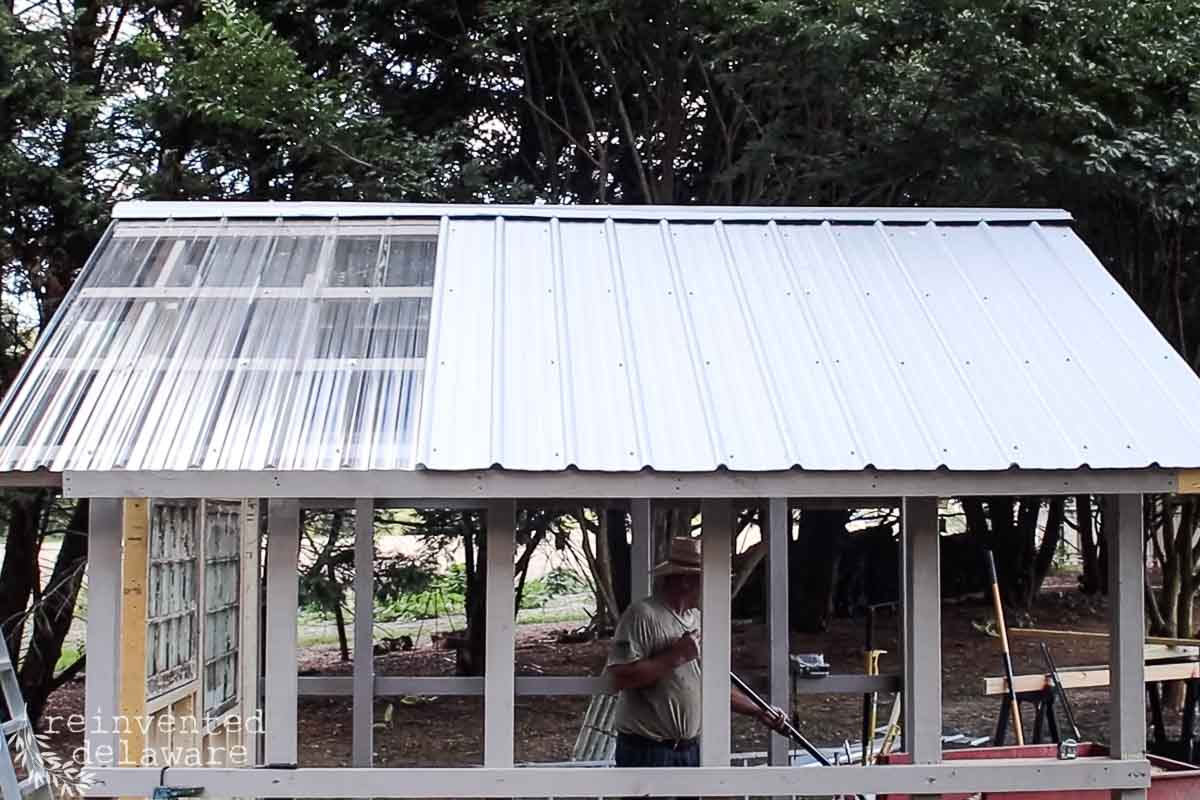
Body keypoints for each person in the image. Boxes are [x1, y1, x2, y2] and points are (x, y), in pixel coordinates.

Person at [604, 536, 788, 770]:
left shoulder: (699, 620)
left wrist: (760, 711)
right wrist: (676, 656)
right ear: (685, 580)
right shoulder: (642, 615)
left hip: (690, 750)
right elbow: (619, 677)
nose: (711, 587)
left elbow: (714, 685)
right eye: (706, 579)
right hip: (647, 750)